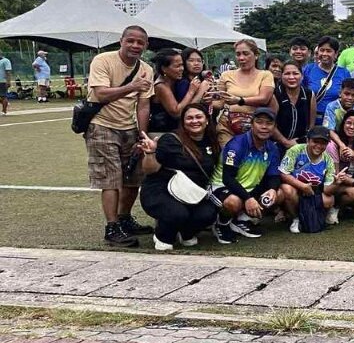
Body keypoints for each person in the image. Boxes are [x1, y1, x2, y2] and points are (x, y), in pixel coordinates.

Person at [84, 25, 155, 247]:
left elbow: (143, 105)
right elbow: (100, 94)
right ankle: (112, 227)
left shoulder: (146, 69)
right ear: (121, 41)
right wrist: (132, 86)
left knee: (134, 177)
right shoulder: (103, 60)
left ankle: (124, 218)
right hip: (102, 125)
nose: (135, 45)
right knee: (111, 179)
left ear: (146, 45)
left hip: (129, 128)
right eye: (130, 40)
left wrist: (141, 135)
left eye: (140, 42)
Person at [138, 103, 220, 250]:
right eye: (189, 118)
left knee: (208, 213)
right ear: (183, 122)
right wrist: (150, 153)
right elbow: (150, 170)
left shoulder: (212, 141)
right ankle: (163, 236)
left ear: (207, 120)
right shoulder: (171, 140)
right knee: (177, 214)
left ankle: (185, 232)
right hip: (161, 190)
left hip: (192, 193)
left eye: (199, 117)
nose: (194, 121)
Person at [208, 107, 281, 243]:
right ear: (252, 124)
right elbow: (227, 178)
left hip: (248, 188)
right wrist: (248, 198)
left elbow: (274, 176)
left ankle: (241, 220)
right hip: (222, 186)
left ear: (274, 127)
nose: (264, 127)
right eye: (259, 122)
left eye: (269, 123)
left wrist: (272, 189)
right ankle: (221, 223)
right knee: (234, 202)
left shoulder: (272, 148)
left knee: (279, 193)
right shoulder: (237, 145)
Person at [212, 39, 275, 146]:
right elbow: (219, 103)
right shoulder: (226, 75)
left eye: (246, 54)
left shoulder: (265, 75)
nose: (241, 58)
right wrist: (208, 100)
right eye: (238, 54)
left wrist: (239, 100)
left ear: (256, 55)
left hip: (254, 127)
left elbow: (264, 98)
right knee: (229, 154)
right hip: (227, 126)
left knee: (251, 155)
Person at [277, 125, 339, 234]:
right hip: (295, 189)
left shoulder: (328, 160)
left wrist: (336, 183)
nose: (319, 146)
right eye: (315, 141)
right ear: (308, 140)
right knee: (286, 189)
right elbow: (283, 174)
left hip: (313, 192)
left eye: (323, 143)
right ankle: (295, 218)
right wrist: (302, 186)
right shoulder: (296, 150)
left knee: (329, 200)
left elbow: (327, 190)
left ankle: (312, 217)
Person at [150, 49, 210, 135]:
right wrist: (192, 91)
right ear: (164, 69)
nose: (181, 69)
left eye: (182, 65)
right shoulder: (161, 86)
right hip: (162, 133)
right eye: (177, 66)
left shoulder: (175, 81)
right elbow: (177, 113)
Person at [303, 36, 350, 125]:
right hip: (311, 120)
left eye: (328, 51)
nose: (324, 54)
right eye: (322, 50)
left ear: (336, 54)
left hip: (335, 120)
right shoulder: (308, 70)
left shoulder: (344, 73)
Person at [270, 61, 314, 149]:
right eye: (287, 74)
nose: (291, 77)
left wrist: (301, 142)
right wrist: (286, 142)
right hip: (276, 144)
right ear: (281, 76)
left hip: (300, 145)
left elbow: (311, 125)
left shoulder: (309, 94)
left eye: (295, 73)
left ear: (302, 76)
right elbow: (270, 124)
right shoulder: (275, 94)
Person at [0, 47, 13, 115]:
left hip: (2, 81)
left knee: (3, 96)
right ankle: (5, 102)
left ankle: (4, 111)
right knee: (3, 97)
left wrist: (8, 81)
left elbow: (8, 72)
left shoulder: (6, 61)